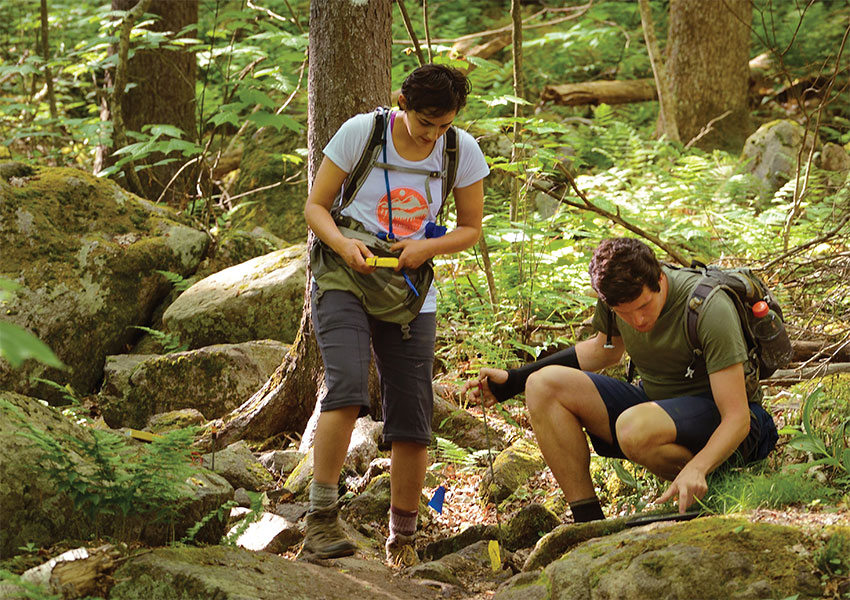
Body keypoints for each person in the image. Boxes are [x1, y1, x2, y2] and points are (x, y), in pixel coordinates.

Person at [302, 64, 489, 565]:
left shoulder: (459, 151)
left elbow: (470, 228)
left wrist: (424, 250)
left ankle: (401, 542)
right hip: (346, 275)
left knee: (412, 416)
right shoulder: (362, 133)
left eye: (444, 125)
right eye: (426, 122)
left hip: (409, 290)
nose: (433, 134)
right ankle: (320, 521)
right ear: (401, 101)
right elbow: (316, 207)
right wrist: (342, 245)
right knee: (345, 386)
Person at [467, 237, 778, 522]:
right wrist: (513, 380)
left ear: (659, 279)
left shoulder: (709, 308)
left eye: (644, 306)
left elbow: (737, 419)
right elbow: (603, 351)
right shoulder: (615, 297)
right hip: (657, 409)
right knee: (542, 385)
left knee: (633, 428)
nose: (638, 320)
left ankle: (713, 481)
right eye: (625, 313)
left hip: (733, 424)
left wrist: (697, 467)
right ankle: (588, 521)